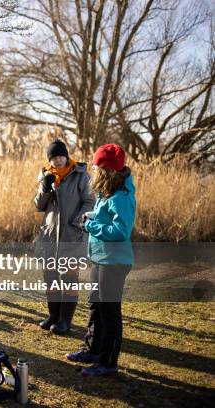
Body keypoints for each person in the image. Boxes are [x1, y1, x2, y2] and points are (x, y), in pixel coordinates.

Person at [65, 144, 136, 377]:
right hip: (100, 257)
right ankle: (92, 350)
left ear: (107, 170)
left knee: (109, 311)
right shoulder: (108, 191)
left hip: (114, 261)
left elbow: (121, 230)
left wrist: (90, 225)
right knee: (96, 304)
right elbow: (106, 214)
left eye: (97, 166)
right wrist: (91, 216)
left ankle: (108, 362)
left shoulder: (121, 195)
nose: (94, 169)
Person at [34, 139, 95, 335]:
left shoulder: (81, 176)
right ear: (49, 160)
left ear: (66, 156)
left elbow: (90, 202)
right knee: (50, 276)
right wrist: (44, 187)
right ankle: (53, 315)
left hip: (72, 234)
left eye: (60, 156)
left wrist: (77, 223)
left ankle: (65, 320)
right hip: (50, 235)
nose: (57, 160)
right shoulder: (46, 176)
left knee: (69, 278)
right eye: (53, 157)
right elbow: (39, 206)